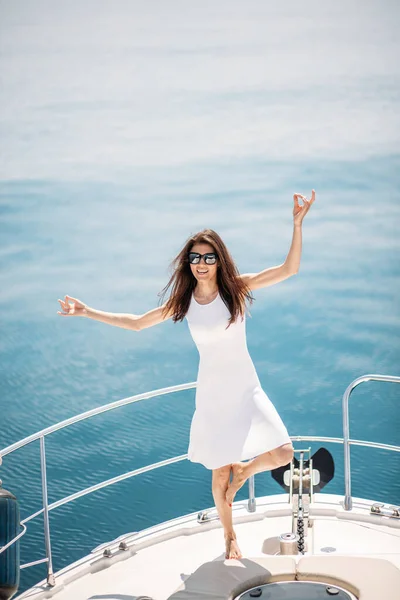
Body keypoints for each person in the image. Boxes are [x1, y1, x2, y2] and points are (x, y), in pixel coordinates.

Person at [57, 190, 315, 560]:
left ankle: (246, 472)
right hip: (212, 395)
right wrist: (87, 312)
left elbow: (289, 270)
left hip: (246, 388)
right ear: (189, 263)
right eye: (195, 258)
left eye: (209, 257)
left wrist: (296, 224)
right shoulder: (184, 302)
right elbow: (137, 324)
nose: (202, 263)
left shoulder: (236, 289)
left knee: (283, 452)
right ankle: (229, 537)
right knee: (217, 474)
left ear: (218, 260)